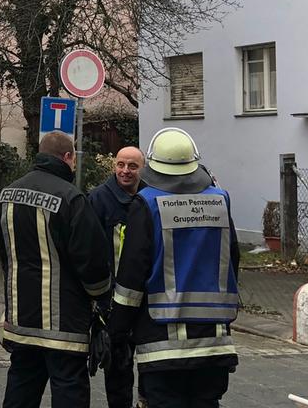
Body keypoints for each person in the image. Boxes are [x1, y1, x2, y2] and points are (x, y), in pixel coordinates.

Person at [108, 128, 239, 408]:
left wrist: (117, 331)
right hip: (214, 343)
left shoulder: (146, 204)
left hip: (161, 346)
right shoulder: (220, 200)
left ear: (152, 164)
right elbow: (233, 261)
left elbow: (131, 278)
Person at [0, 131, 111, 408]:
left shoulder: (8, 194)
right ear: (68, 157)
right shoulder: (72, 198)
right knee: (69, 387)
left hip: (21, 317)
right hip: (65, 322)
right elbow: (92, 260)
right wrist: (101, 297)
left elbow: (4, 252)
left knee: (22, 384)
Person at [88, 146, 146, 408]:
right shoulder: (99, 199)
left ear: (141, 168)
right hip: (112, 302)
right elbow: (91, 252)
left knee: (149, 365)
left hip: (145, 299)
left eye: (132, 166)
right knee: (118, 369)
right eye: (121, 165)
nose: (125, 171)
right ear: (114, 166)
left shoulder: (148, 197)